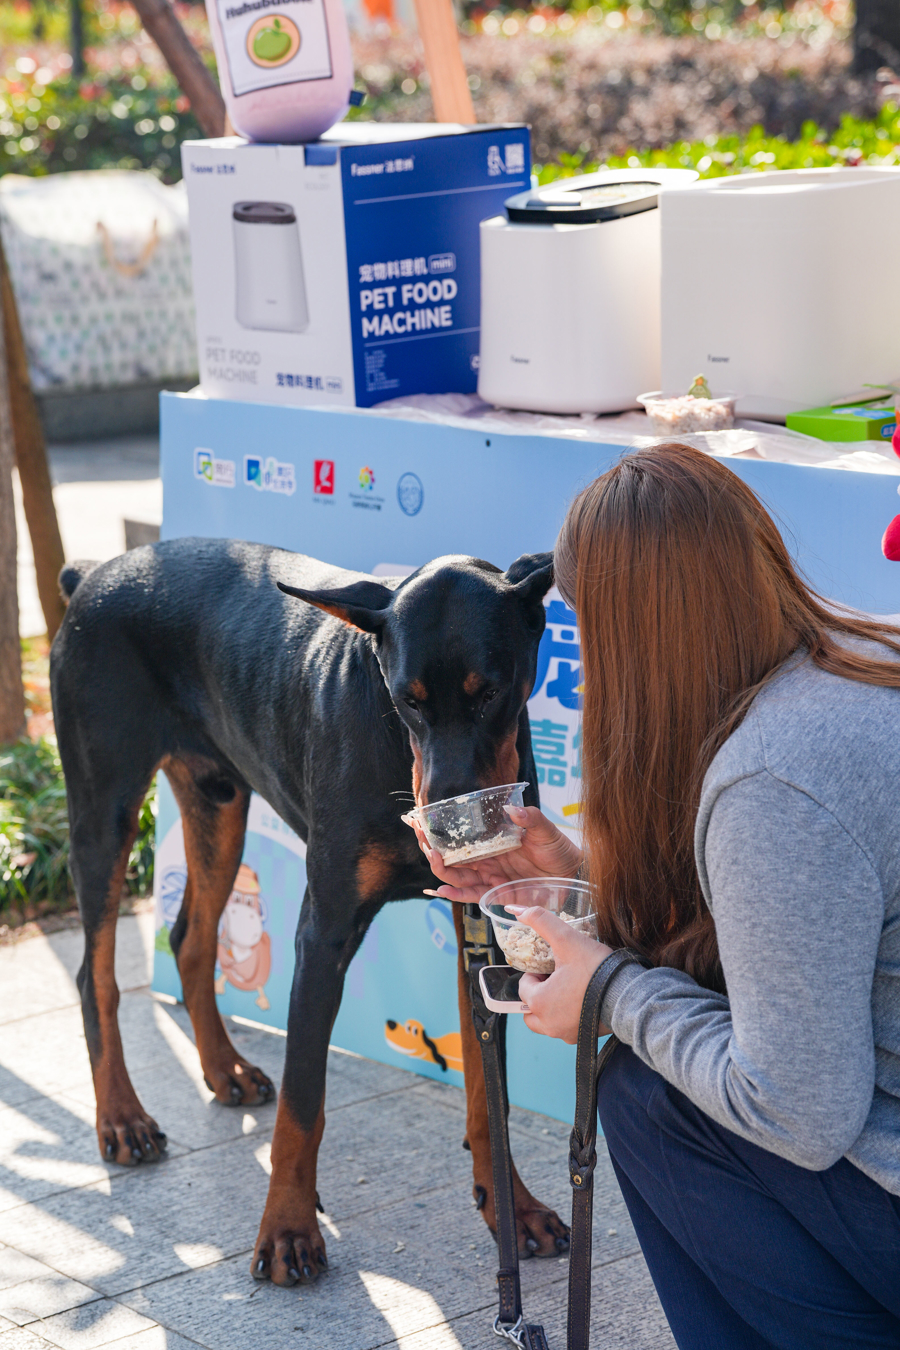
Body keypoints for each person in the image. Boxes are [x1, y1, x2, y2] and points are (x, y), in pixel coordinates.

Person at [417, 442, 900, 1349]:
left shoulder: (775, 783)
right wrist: (579, 871)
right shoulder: (852, 659)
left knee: (647, 1097)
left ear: (637, 632)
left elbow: (798, 1113)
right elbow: (794, 927)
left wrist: (611, 992)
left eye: (585, 624)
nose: (582, 655)